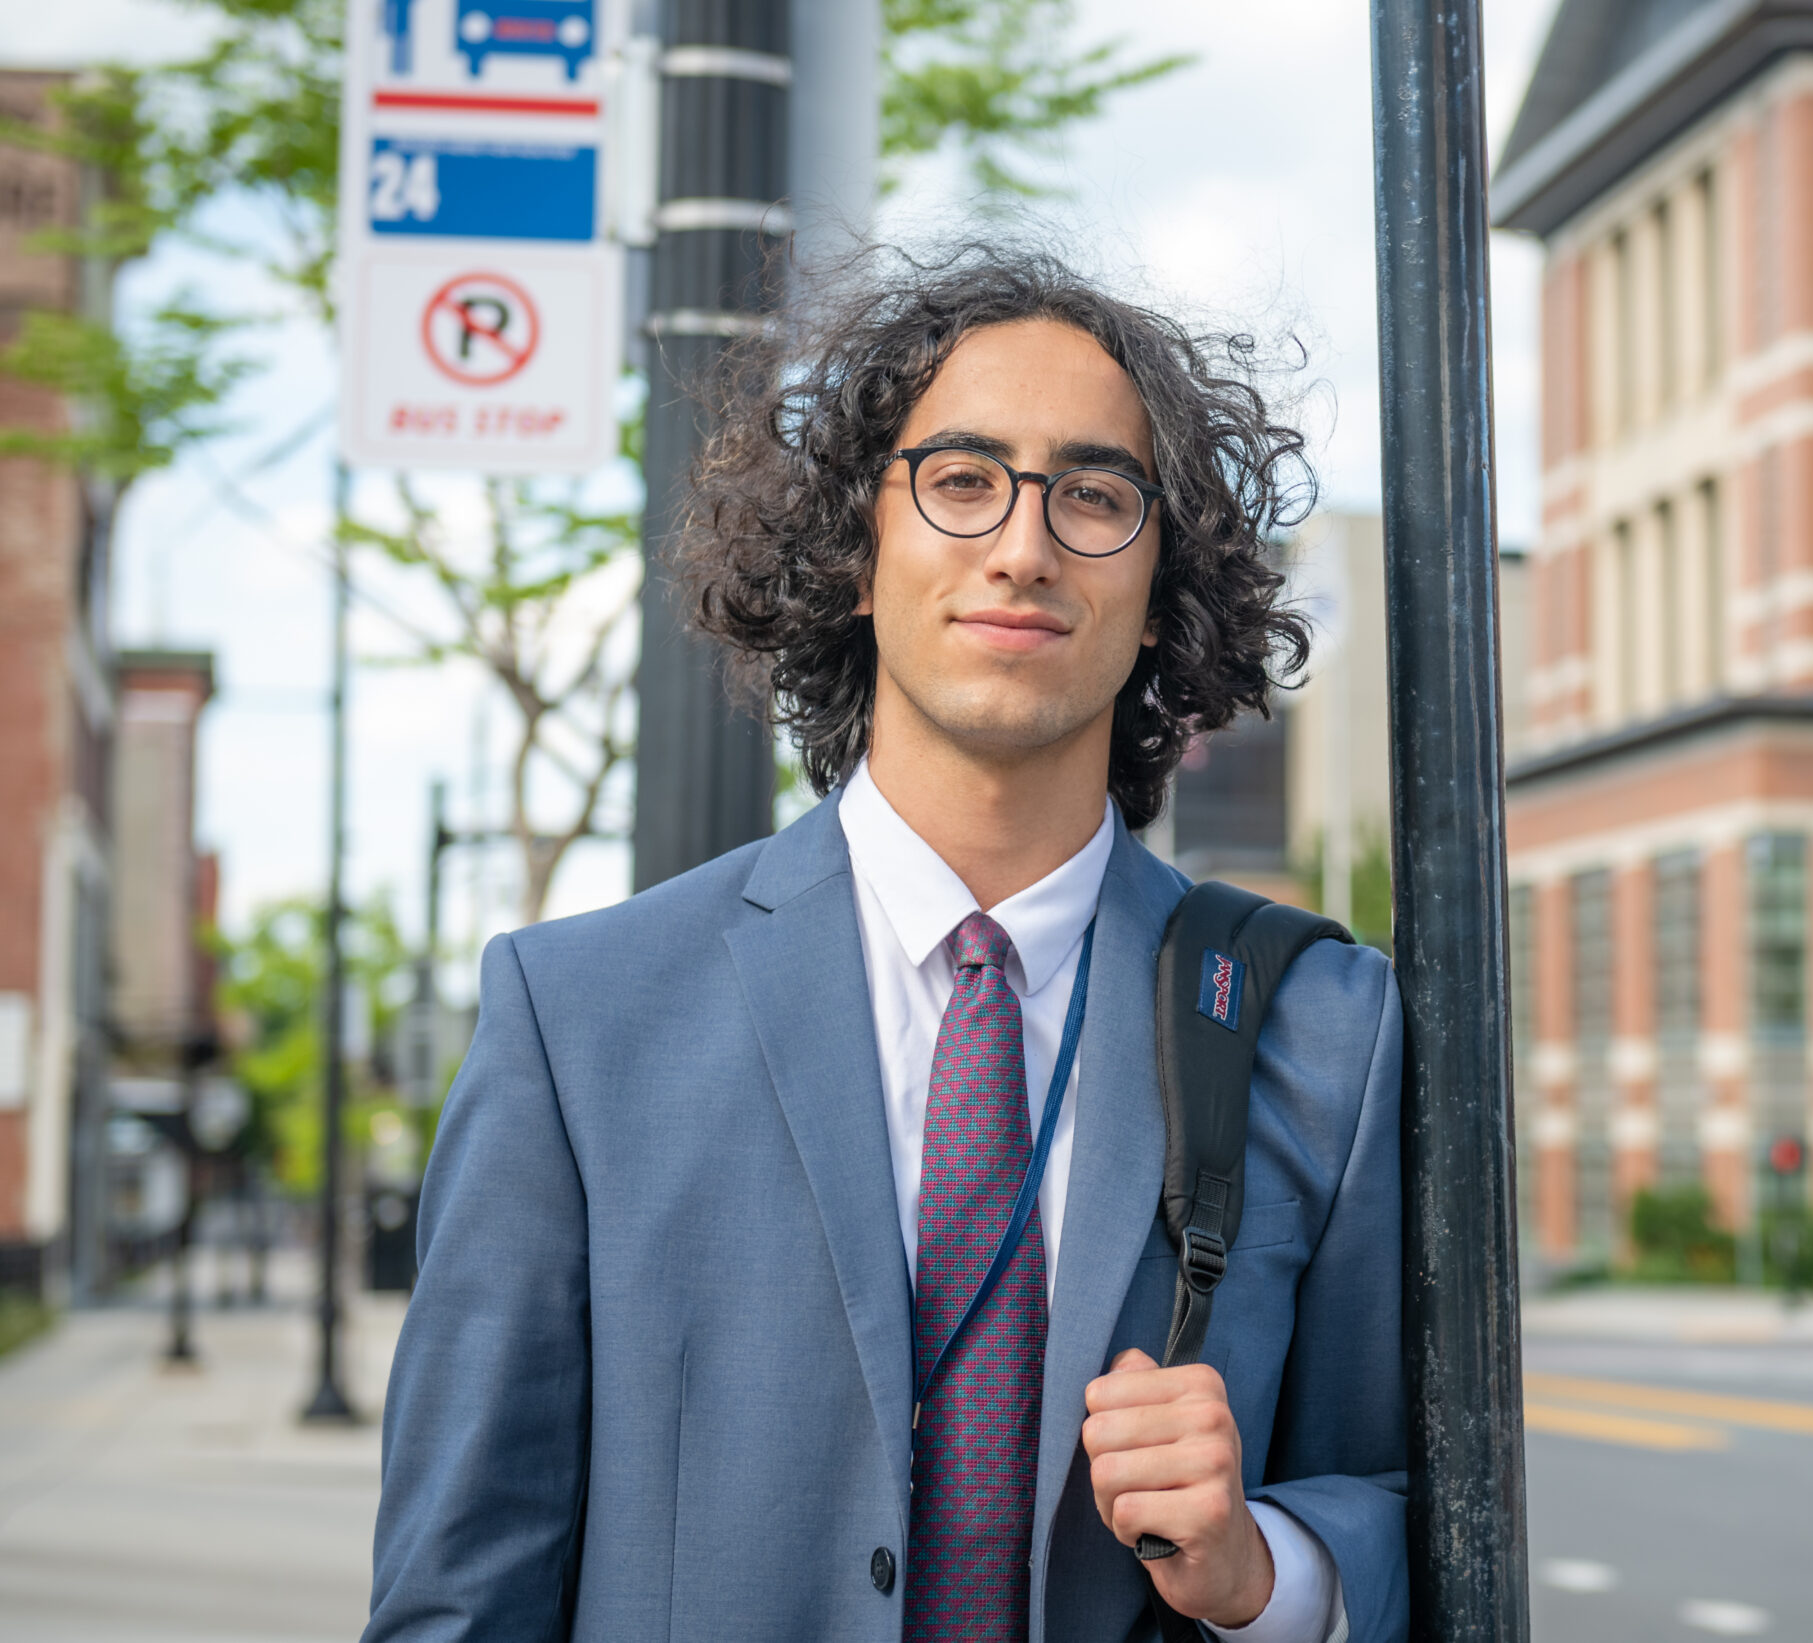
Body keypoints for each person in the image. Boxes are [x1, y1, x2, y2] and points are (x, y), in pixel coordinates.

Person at [362, 248, 1407, 1643]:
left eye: (1094, 496)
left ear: (1163, 589)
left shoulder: (1325, 1022)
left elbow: (1411, 1504)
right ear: (858, 553)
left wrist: (1273, 1567)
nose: (1024, 548)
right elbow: (456, 1597)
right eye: (962, 480)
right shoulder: (577, 1021)